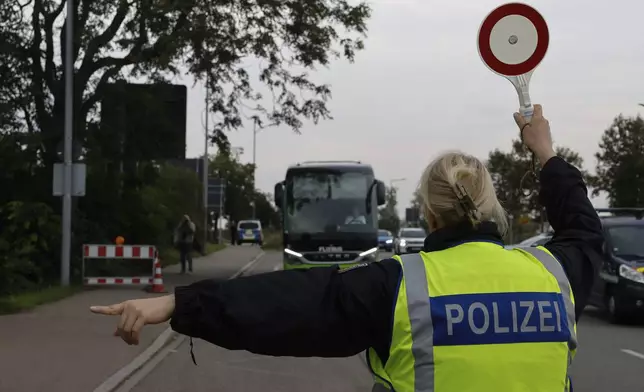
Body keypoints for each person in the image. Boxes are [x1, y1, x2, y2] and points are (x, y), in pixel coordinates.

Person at [91, 105, 603, 391]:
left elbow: (287, 305)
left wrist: (179, 302)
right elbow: (582, 227)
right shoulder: (554, 275)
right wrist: (546, 154)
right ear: (491, 208)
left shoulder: (401, 285)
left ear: (428, 214)